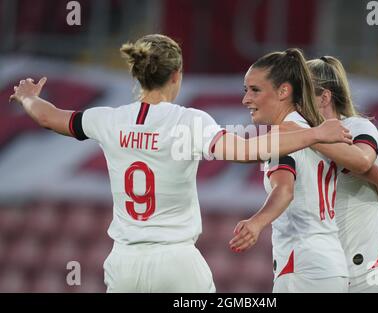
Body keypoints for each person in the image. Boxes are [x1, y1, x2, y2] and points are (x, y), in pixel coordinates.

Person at [8, 34, 352, 293]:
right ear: (177, 76)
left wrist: (28, 98)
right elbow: (248, 150)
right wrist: (315, 134)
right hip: (175, 261)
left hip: (124, 262)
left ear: (137, 75)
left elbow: (50, 118)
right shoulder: (188, 122)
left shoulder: (108, 120)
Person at [229, 48, 350, 292]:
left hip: (302, 264)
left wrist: (256, 223)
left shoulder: (285, 134)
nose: (246, 100)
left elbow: (284, 190)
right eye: (245, 90)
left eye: (255, 90)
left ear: (284, 91)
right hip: (330, 261)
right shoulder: (310, 130)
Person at [306, 56, 378, 292]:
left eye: (299, 94)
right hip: (325, 271)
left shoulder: (357, 126)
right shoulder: (299, 138)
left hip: (370, 267)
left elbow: (361, 161)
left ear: (324, 97)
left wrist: (306, 137)